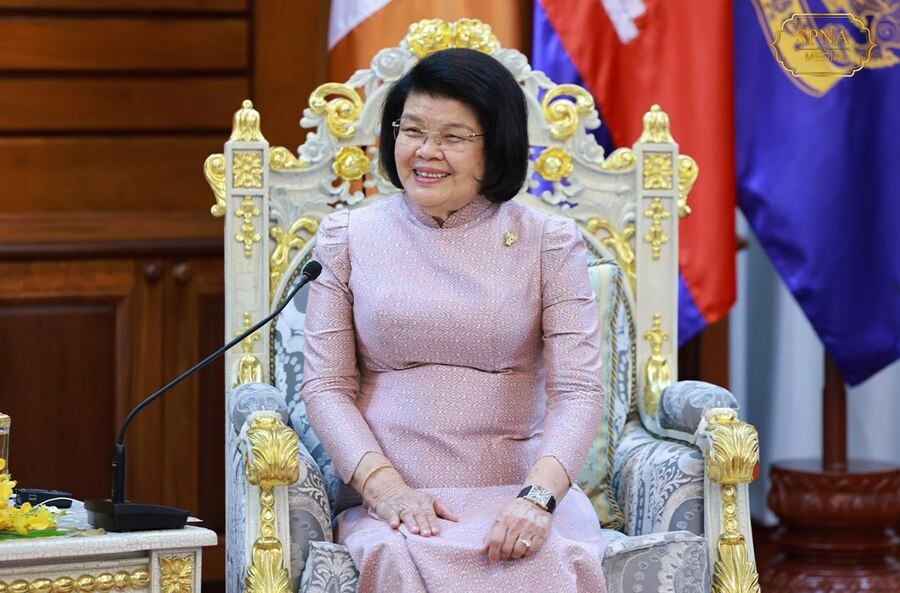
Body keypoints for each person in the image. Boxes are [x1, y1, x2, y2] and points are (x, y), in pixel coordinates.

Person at [301, 47, 607, 592]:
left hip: (519, 492)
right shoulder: (347, 238)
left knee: (541, 560)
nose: (426, 151)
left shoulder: (549, 243)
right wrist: (385, 489)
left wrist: (537, 500)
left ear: (497, 145)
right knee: (396, 557)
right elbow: (325, 385)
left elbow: (578, 390)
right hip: (394, 498)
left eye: (452, 136)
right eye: (413, 130)